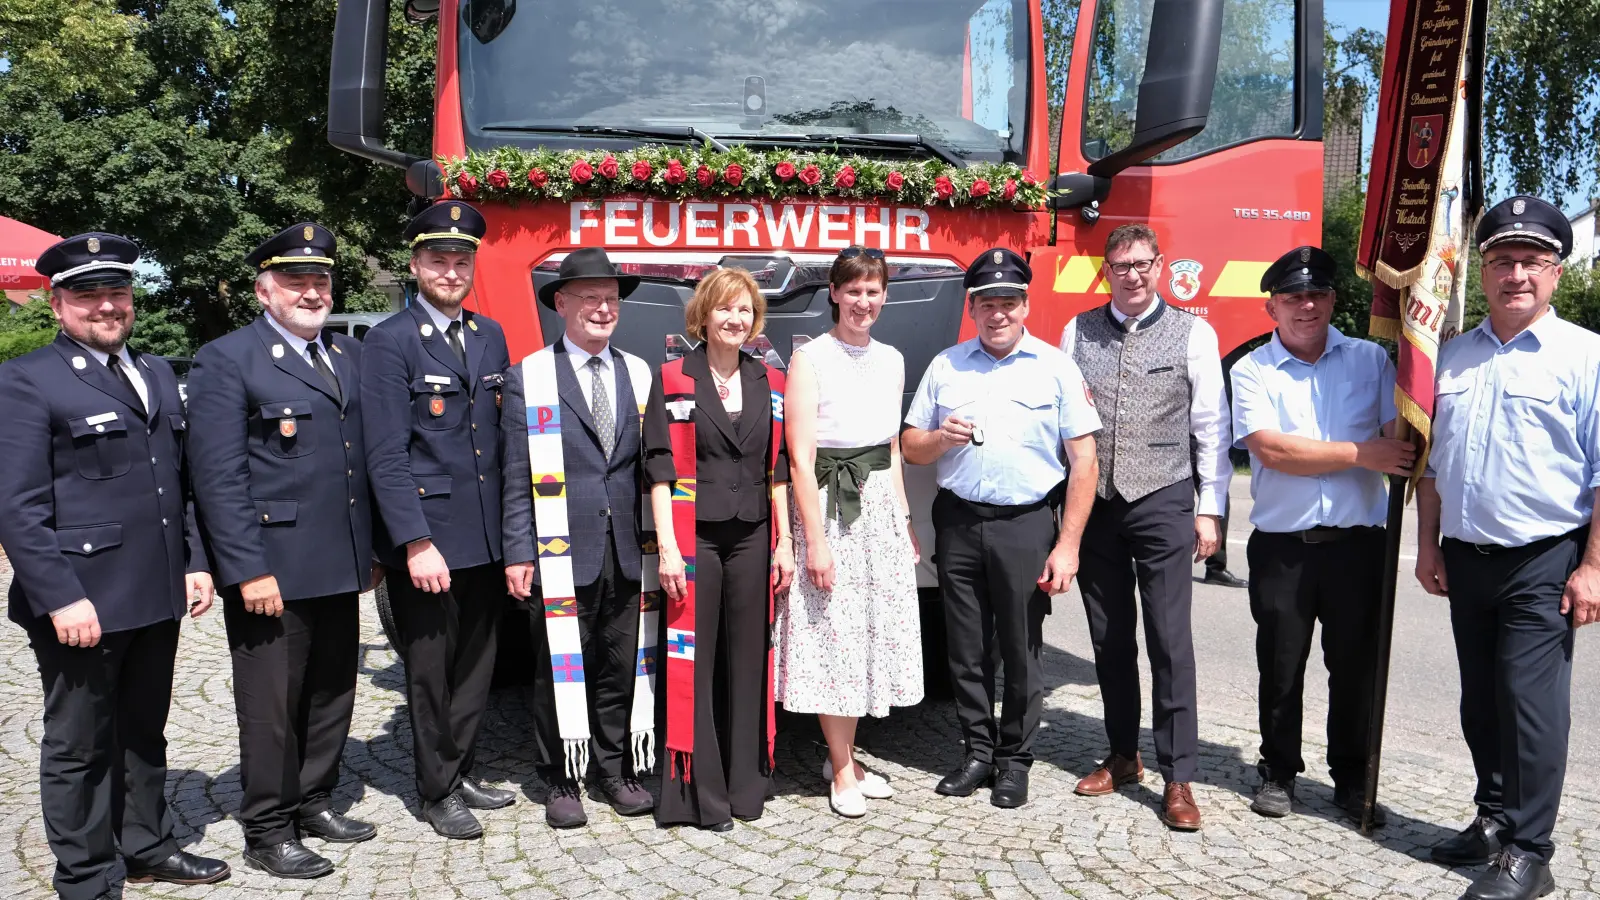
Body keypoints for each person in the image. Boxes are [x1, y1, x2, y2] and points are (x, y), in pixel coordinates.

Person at [0, 234, 230, 900]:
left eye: (117, 292)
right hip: (84, 599)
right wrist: (59, 596)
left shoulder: (154, 372)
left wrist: (193, 560)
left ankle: (146, 845)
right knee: (80, 744)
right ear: (57, 304)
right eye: (88, 294)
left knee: (143, 731)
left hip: (155, 591)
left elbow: (178, 483)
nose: (106, 305)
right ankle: (86, 876)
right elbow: (16, 507)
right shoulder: (27, 379)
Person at [1416, 195, 1600, 900]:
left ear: (1555, 273)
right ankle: (1493, 819)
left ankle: (1530, 852)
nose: (1515, 274)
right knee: (1481, 701)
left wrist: (1593, 567)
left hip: (1544, 558)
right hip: (1467, 557)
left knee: (1529, 705)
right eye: (1501, 260)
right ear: (1484, 270)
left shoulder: (1586, 357)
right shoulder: (1453, 356)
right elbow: (1433, 465)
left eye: (1531, 261)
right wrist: (1428, 545)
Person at [188, 223, 380, 879]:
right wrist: (247, 570)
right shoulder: (228, 359)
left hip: (340, 561)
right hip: (273, 568)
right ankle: (267, 829)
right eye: (296, 281)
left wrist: (370, 549)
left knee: (331, 692)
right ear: (263, 290)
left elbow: (358, 462)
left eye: (320, 279)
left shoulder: (346, 355)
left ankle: (315, 800)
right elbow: (218, 478)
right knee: (271, 707)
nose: (311, 291)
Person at [903, 248, 1101, 810]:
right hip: (960, 520)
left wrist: (1068, 546)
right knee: (965, 650)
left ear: (1025, 305)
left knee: (1020, 648)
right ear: (972, 308)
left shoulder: (1055, 367)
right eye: (987, 303)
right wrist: (939, 438)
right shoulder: (947, 365)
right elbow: (911, 447)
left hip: (1025, 523)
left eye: (1008, 302)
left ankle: (1014, 761)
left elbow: (1084, 461)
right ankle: (976, 752)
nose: (998, 313)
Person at [1229, 245, 1414, 822]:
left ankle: (1353, 779)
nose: (1305, 306)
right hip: (1283, 548)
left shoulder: (1372, 360)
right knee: (1281, 666)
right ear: (1272, 308)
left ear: (1333, 300)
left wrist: (1423, 362)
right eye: (1292, 297)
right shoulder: (1251, 370)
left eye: (1316, 295)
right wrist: (1363, 453)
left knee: (1356, 669)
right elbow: (1273, 450)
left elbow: (1400, 437)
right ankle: (1279, 771)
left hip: (1358, 546)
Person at [1059, 223, 1230, 831]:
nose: (1131, 275)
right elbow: (1064, 420)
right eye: (1120, 265)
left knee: (1169, 639)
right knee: (1109, 638)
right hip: (1098, 501)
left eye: (1141, 264)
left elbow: (1212, 427)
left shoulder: (1194, 332)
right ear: (1106, 271)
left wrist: (1210, 507)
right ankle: (1123, 755)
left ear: (1159, 266)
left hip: (1164, 496)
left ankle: (1178, 774)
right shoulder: (1077, 330)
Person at [359, 201, 514, 839]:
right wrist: (414, 541)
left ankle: (463, 767)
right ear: (416, 265)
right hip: (431, 540)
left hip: (485, 536)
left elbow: (499, 443)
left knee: (477, 664)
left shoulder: (490, 335)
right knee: (429, 671)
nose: (451, 272)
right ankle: (436, 790)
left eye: (461, 262)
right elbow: (385, 454)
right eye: (439, 260)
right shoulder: (389, 341)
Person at [501, 248, 659, 828]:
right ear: (561, 304)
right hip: (559, 548)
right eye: (590, 298)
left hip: (630, 548)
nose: (602, 308)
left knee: (622, 663)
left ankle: (615, 769)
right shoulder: (530, 376)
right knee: (559, 666)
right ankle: (561, 777)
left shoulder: (639, 374)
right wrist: (518, 550)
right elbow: (516, 472)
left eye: (611, 299)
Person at [773, 247, 923, 818]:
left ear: (885, 296)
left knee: (865, 633)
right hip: (831, 509)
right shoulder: (810, 358)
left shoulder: (892, 358)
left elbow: (891, 450)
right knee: (833, 633)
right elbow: (800, 458)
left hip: (879, 508)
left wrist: (904, 520)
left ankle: (847, 757)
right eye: (853, 290)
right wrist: (813, 541)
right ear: (834, 293)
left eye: (873, 291)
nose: (863, 301)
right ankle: (839, 768)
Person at [645, 266, 796, 831]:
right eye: (725, 308)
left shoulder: (770, 381)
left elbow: (778, 469)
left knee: (749, 659)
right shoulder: (673, 377)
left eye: (745, 310)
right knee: (695, 661)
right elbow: (659, 470)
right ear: (703, 315)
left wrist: (784, 542)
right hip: (694, 537)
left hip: (753, 534)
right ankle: (699, 793)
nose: (735, 319)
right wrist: (666, 548)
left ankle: (745, 785)